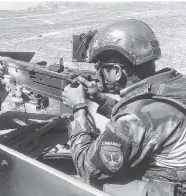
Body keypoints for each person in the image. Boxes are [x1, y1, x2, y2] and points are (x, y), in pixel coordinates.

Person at [62, 19, 186, 196]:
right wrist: (101, 99)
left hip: (170, 188)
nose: (97, 74)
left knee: (90, 183)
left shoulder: (135, 117)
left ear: (116, 72)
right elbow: (149, 117)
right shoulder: (175, 84)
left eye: (100, 68)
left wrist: (79, 109)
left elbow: (88, 168)